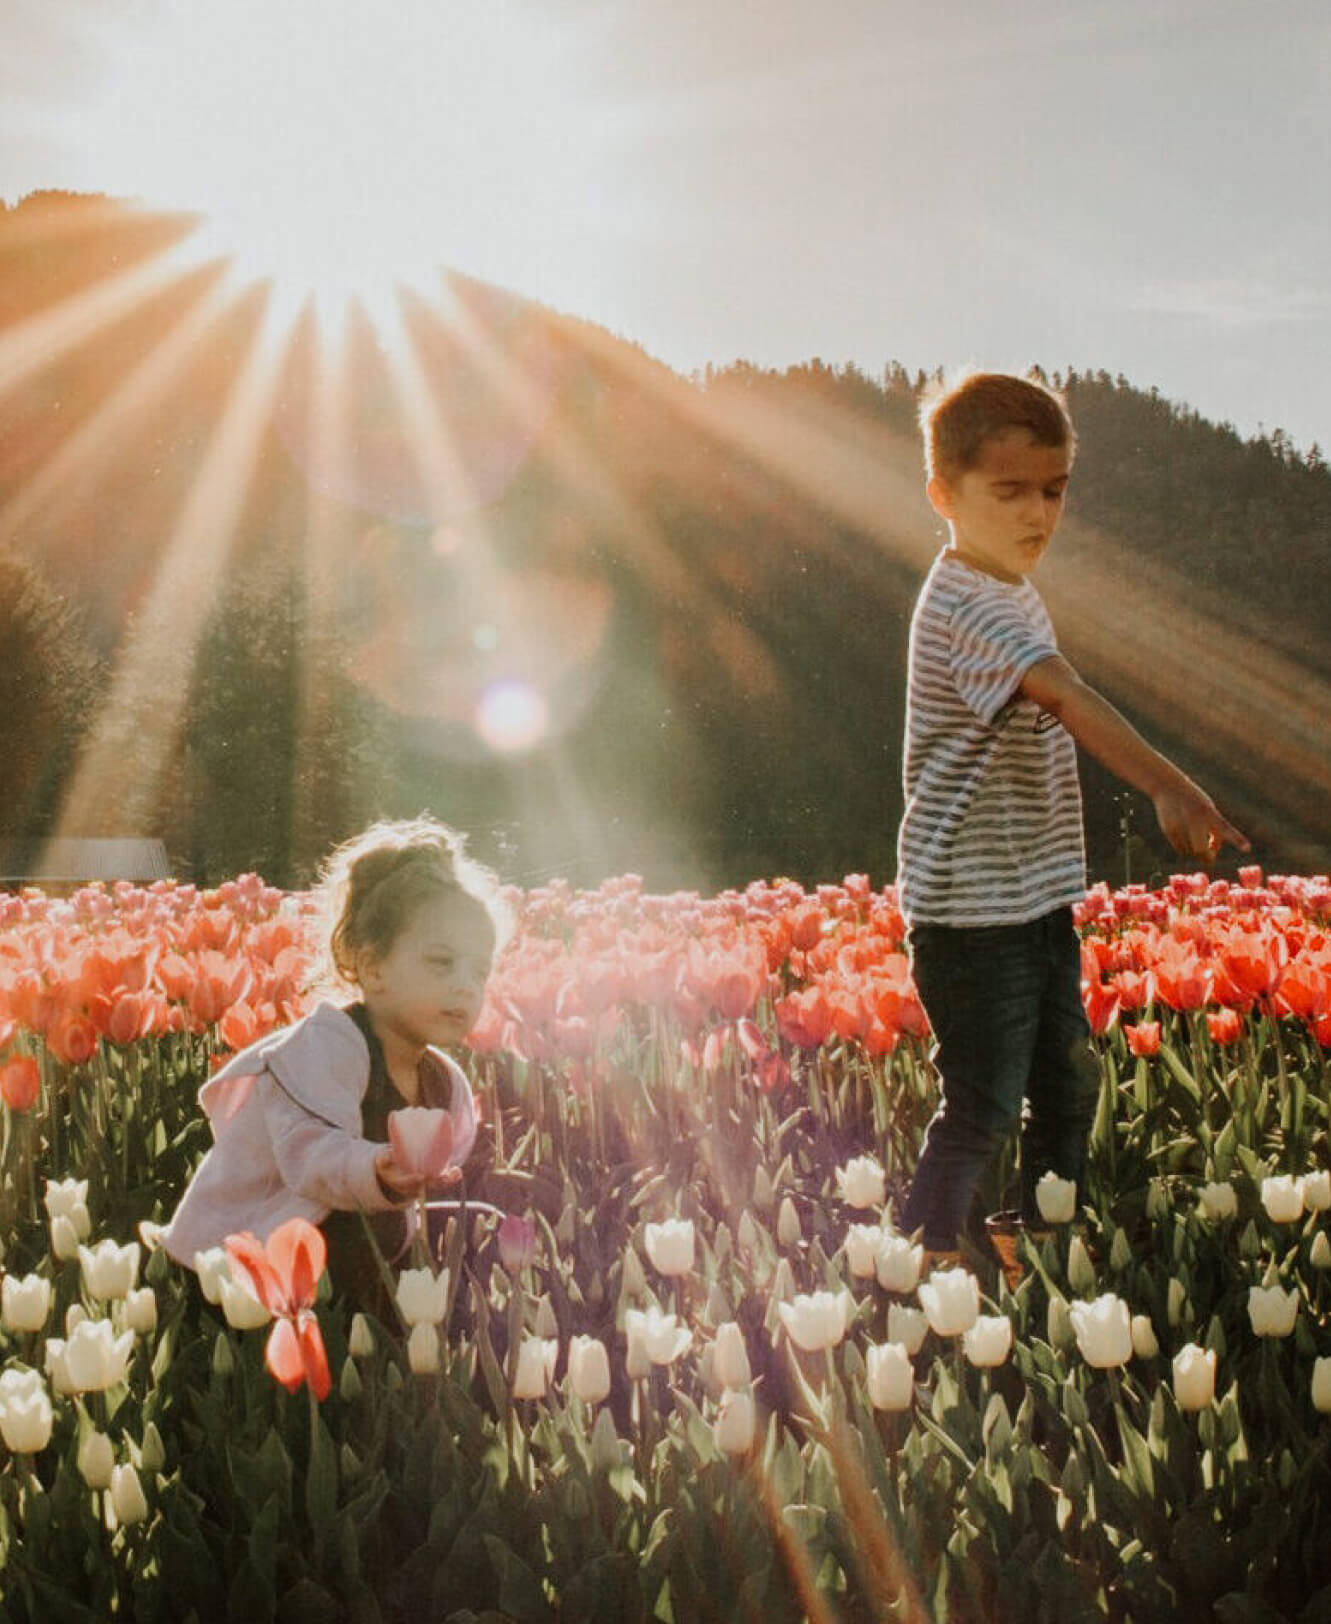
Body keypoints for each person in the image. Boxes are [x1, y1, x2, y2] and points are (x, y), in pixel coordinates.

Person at [895, 370, 1248, 1261]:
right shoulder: (964, 600)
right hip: (971, 916)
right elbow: (1065, 695)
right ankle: (921, 1274)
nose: (1037, 514)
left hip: (1031, 900)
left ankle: (1037, 1255)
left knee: (1063, 1084)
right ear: (943, 495)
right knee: (979, 1101)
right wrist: (1168, 783)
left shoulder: (1007, 584)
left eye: (1052, 491)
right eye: (1008, 491)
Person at [161, 816, 508, 1314]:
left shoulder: (444, 1081)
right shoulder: (324, 1048)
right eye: (441, 961)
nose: (466, 986)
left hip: (340, 1271)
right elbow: (309, 1159)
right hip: (234, 1273)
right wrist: (378, 1169)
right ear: (372, 966)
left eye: (480, 970)